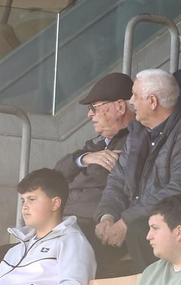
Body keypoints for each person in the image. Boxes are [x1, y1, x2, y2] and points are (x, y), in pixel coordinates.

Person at [94, 70, 181, 269]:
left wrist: (126, 221)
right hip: (145, 219)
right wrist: (107, 216)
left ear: (152, 101)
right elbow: (118, 179)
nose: (131, 101)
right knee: (89, 235)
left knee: (142, 231)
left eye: (135, 95)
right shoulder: (138, 132)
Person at [58, 72, 135, 234]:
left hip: (92, 223)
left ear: (120, 107)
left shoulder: (136, 141)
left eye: (95, 107)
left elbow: (109, 182)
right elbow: (55, 176)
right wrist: (84, 159)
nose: (89, 114)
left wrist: (77, 178)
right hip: (65, 219)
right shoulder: (95, 144)